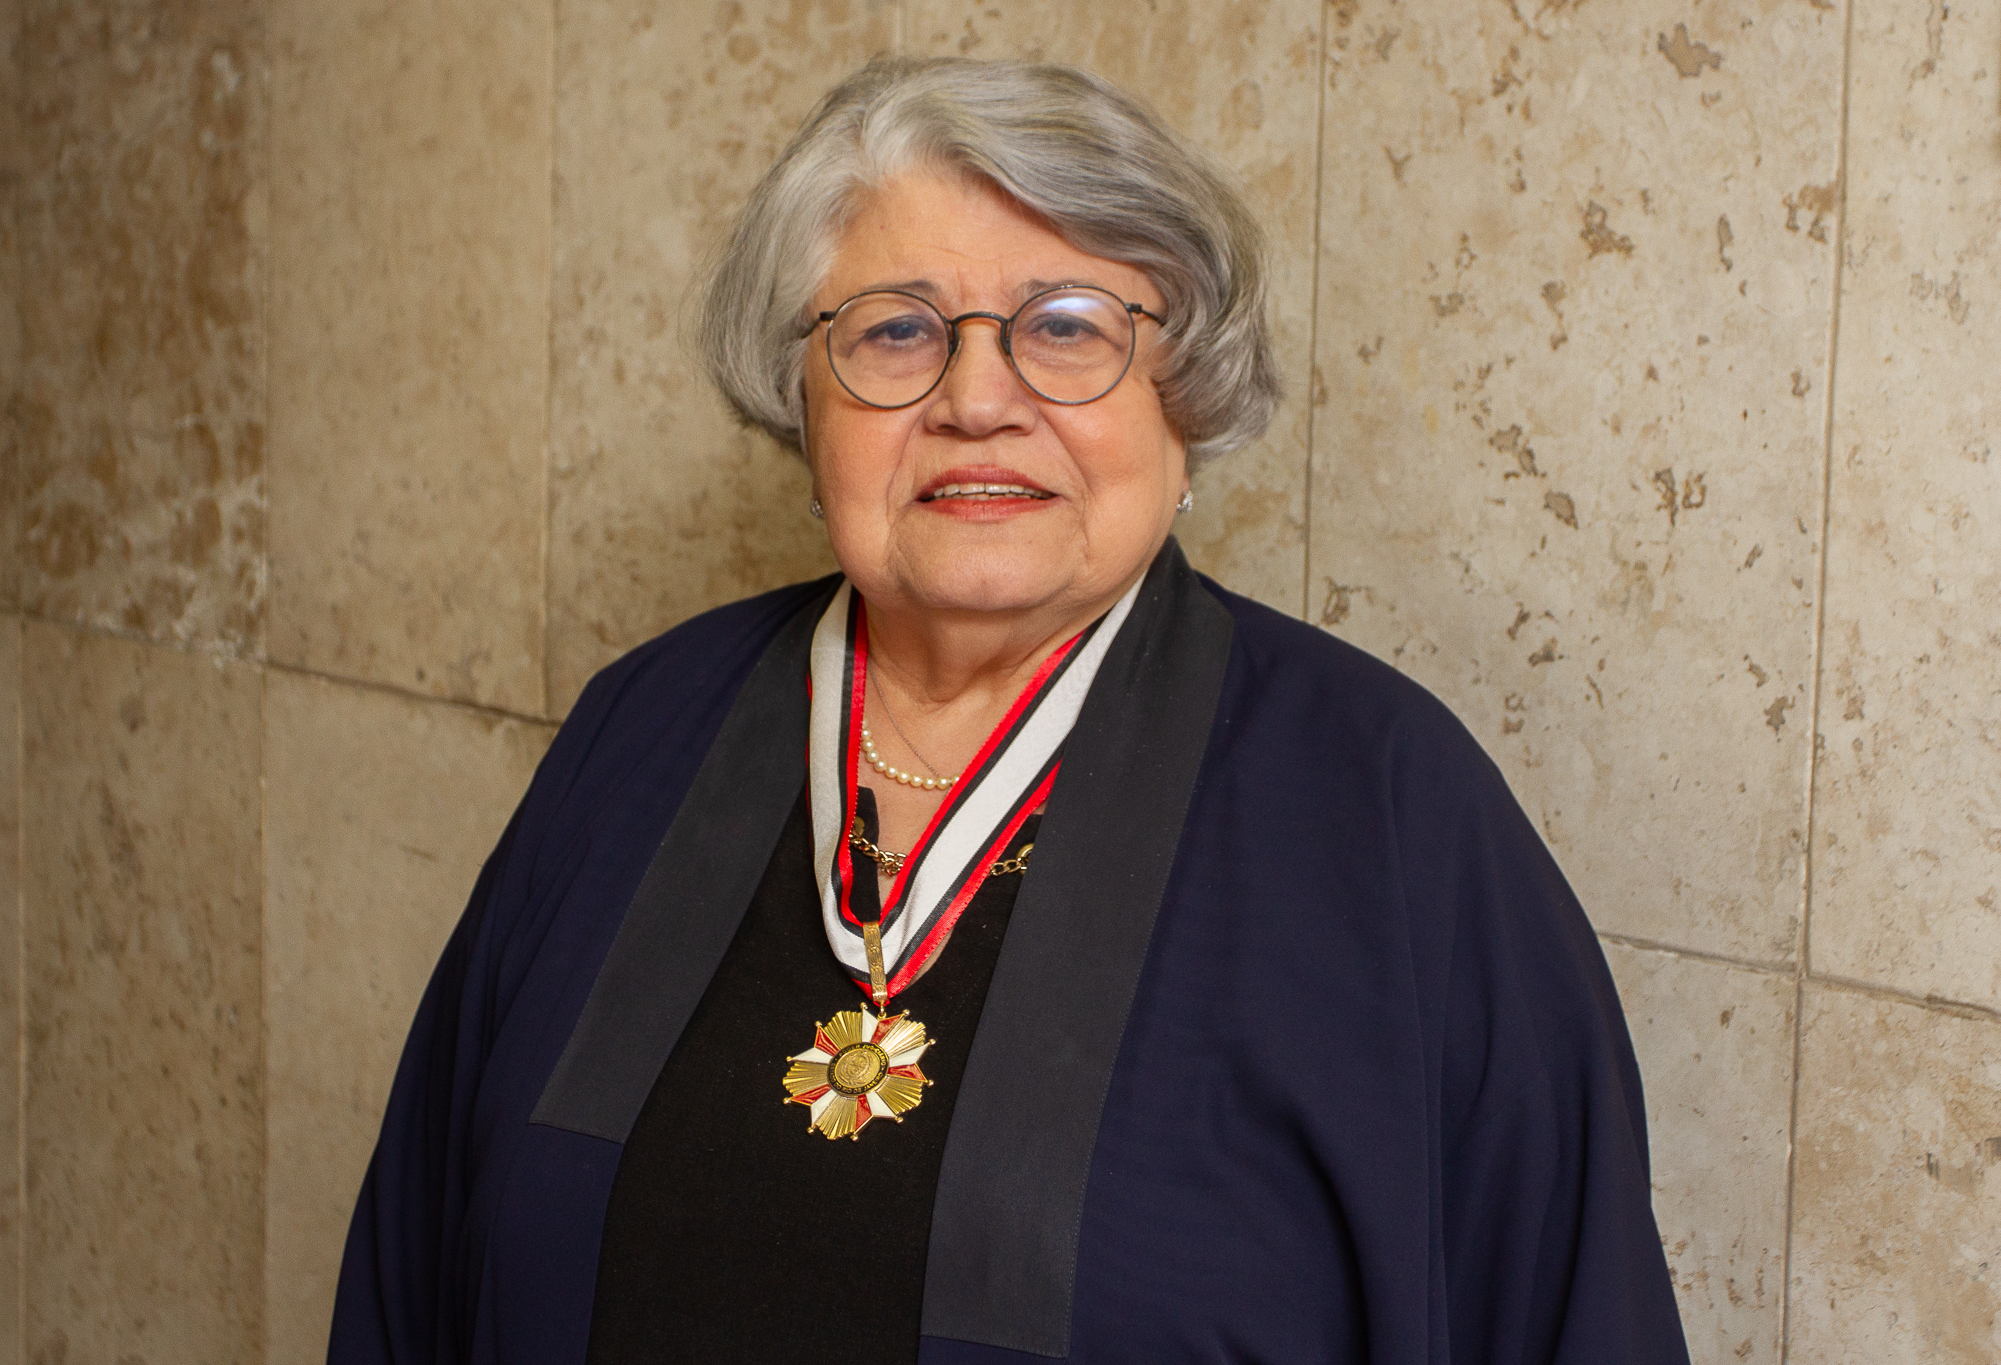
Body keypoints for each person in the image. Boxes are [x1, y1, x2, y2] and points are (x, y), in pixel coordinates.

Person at [328, 56, 1691, 1365]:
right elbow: (410, 1288)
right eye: (896, 329)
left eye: (1069, 329)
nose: (978, 399)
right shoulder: (642, 733)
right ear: (808, 403)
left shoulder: (1393, 821)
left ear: (1188, 393)